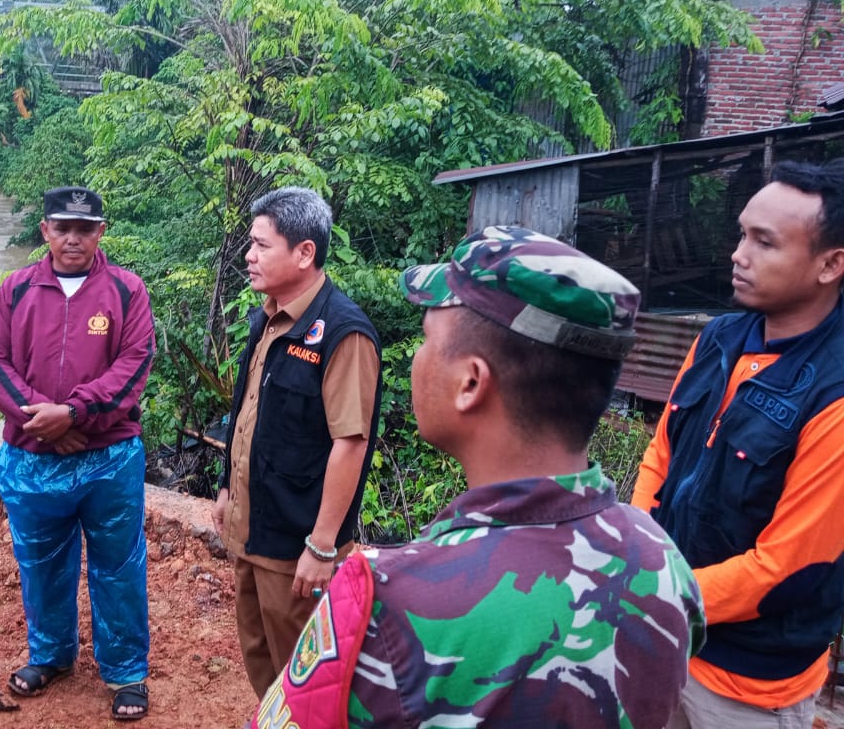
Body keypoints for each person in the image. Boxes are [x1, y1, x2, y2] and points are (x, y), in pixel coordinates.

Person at [250, 225, 705, 729]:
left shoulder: (390, 599)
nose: (418, 359)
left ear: (470, 383)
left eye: (426, 340)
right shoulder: (663, 565)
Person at [633, 158, 844, 729]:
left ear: (831, 264)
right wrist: (637, 555)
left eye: (764, 242)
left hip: (746, 684)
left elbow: (785, 568)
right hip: (667, 639)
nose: (737, 254)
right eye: (742, 234)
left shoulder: (835, 390)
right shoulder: (719, 338)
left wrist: (649, 592)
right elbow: (662, 455)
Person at [0, 186, 156, 721]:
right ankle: (51, 655)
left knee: (118, 565)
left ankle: (127, 674)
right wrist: (47, 423)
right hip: (34, 454)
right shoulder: (15, 290)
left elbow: (133, 366)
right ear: (45, 231)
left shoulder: (128, 292)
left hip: (108, 458)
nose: (73, 238)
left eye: (85, 228)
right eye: (63, 227)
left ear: (101, 232)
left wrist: (75, 414)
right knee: (40, 563)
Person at [213, 186, 382, 698]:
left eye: (262, 245)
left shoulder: (342, 333)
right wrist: (225, 490)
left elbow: (350, 444)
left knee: (307, 681)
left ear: (305, 253)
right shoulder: (267, 316)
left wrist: (322, 545)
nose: (249, 255)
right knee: (262, 665)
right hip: (252, 533)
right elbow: (247, 411)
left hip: (295, 550)